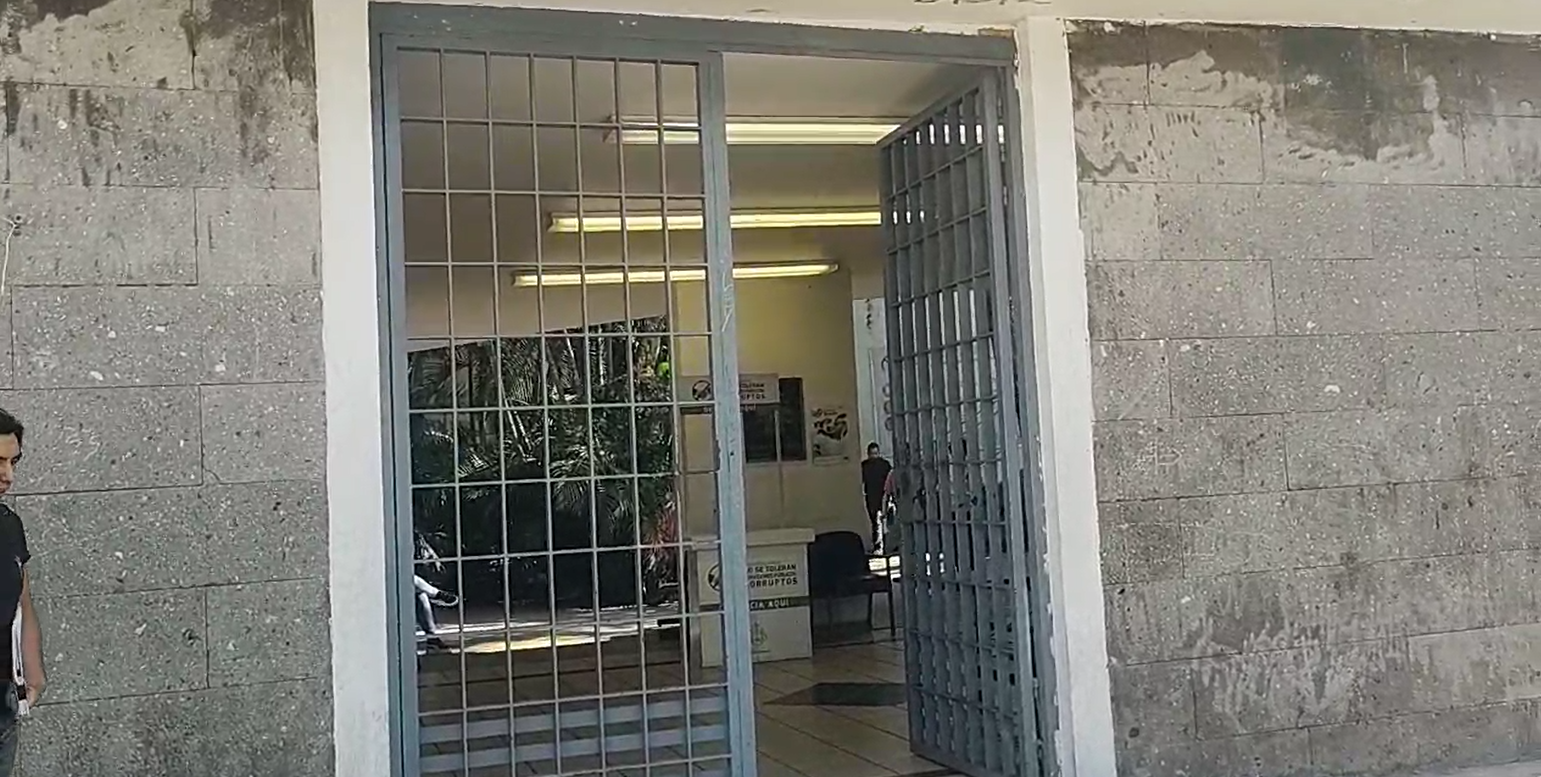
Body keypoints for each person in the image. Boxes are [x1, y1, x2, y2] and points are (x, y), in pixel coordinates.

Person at [0, 409, 43, 776]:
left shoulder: (9, 524)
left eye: (13, 462)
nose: (8, 476)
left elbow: (22, 599)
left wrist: (33, 667)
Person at [860, 442, 892, 553]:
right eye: (873, 454)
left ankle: (881, 545)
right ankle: (881, 545)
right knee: (879, 522)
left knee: (879, 522)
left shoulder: (866, 466)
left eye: (875, 453)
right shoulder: (882, 465)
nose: (874, 456)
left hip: (878, 496)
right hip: (876, 496)